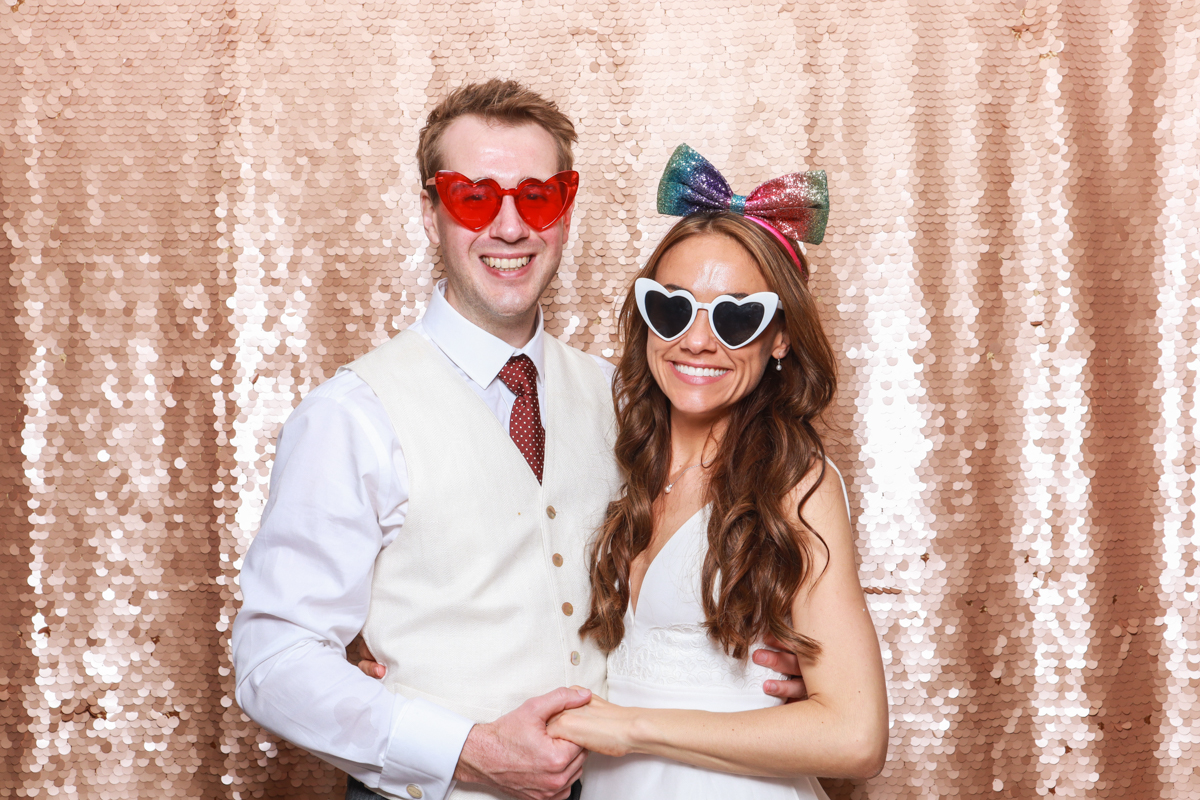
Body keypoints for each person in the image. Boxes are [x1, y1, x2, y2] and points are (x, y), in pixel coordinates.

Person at [231, 85, 807, 800]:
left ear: (565, 211)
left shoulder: (627, 398)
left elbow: (700, 552)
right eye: (474, 197)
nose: (510, 227)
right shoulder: (352, 417)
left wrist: (762, 655)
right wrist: (462, 749)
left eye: (537, 196)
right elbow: (272, 659)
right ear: (429, 212)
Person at [546, 147, 890, 798]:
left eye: (736, 318)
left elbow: (856, 736)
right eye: (673, 308)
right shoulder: (612, 457)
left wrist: (631, 728)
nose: (698, 340)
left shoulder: (797, 488)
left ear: (780, 336)